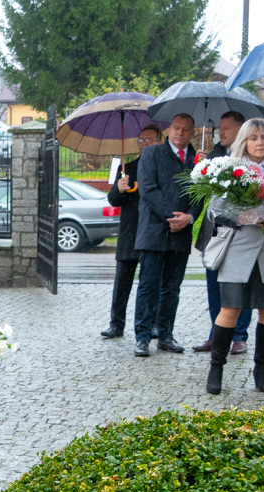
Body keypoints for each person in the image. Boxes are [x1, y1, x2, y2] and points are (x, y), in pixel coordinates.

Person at [205, 118, 264, 395]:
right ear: (244, 140)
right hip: (239, 247)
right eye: (254, 137)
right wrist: (239, 215)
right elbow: (213, 211)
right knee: (230, 309)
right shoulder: (229, 169)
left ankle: (261, 371)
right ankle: (216, 367)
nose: (260, 143)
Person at [132, 113, 202, 357]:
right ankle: (142, 337)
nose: (179, 133)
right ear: (169, 130)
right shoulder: (151, 154)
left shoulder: (197, 161)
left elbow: (199, 195)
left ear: (192, 133)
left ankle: (165, 334)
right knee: (148, 286)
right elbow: (148, 190)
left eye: (185, 130)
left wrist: (189, 218)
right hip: (153, 231)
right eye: (176, 128)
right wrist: (172, 216)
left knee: (172, 288)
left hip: (180, 235)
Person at [192, 111, 253, 355]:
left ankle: (239, 335)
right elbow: (202, 192)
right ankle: (216, 335)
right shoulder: (215, 154)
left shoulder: (248, 157)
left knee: (239, 284)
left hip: (239, 232)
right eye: (220, 128)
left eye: (227, 127)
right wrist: (202, 168)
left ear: (241, 129)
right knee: (213, 284)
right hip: (214, 231)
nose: (222, 132)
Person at [100, 124, 161, 339]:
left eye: (150, 140)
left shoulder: (162, 167)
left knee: (152, 281)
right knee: (122, 281)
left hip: (153, 232)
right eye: (142, 141)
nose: (145, 144)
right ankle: (116, 323)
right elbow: (113, 199)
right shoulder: (127, 168)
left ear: (159, 141)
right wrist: (119, 188)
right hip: (129, 232)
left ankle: (152, 323)